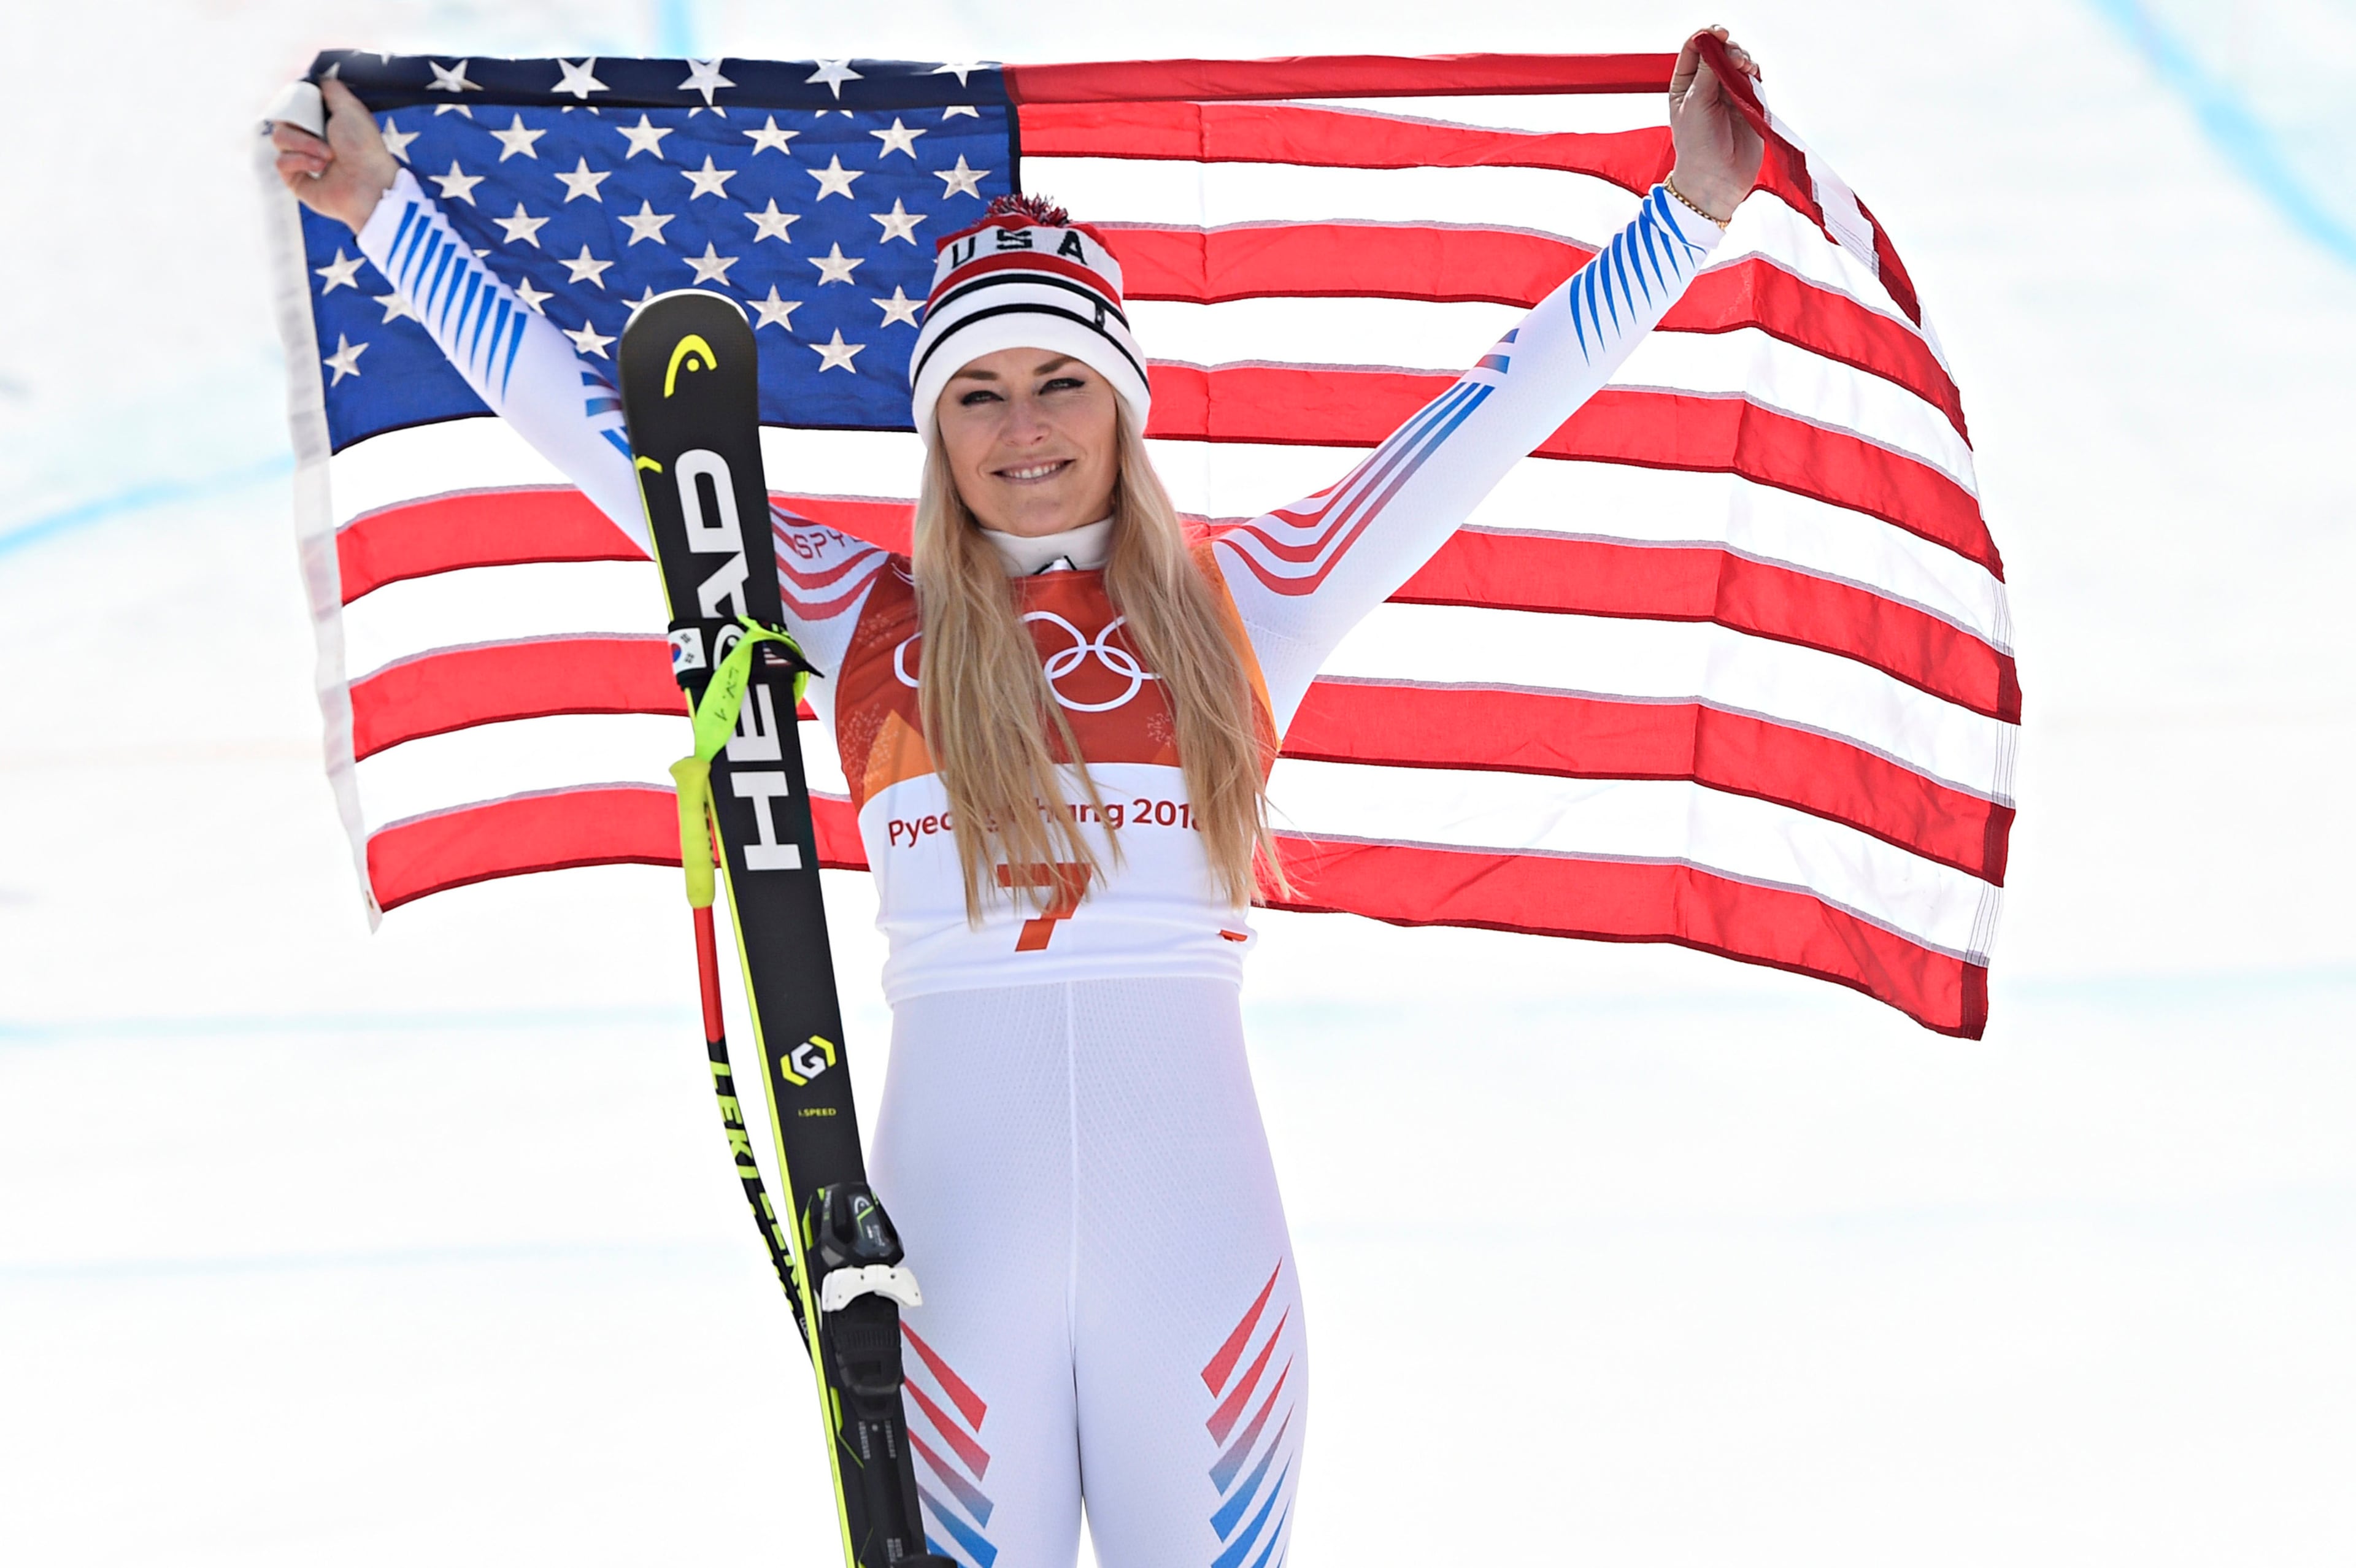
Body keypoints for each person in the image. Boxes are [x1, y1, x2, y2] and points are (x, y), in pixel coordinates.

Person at [275, 28, 1763, 1567]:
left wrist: (1688, 215)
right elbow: (611, 435)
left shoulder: (1257, 596)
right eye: (978, 394)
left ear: (1123, 400)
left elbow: (1491, 412)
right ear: (936, 428)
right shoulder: (858, 617)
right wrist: (388, 212)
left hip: (1196, 1260)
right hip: (952, 1267)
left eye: (1062, 381)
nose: (1026, 427)